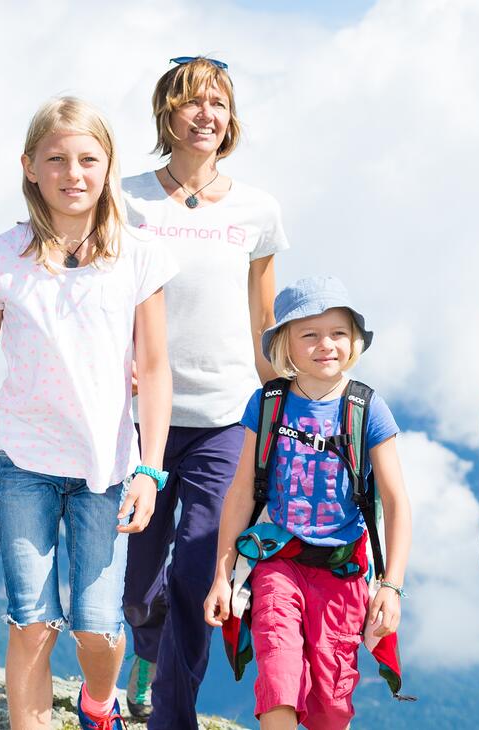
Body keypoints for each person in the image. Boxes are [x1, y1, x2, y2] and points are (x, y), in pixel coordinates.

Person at [0, 96, 178, 729]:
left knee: (98, 631)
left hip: (107, 470)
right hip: (24, 464)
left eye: (88, 160)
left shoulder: (137, 255)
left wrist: (150, 471)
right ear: (29, 167)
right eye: (56, 160)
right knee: (33, 622)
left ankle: (100, 702)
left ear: (107, 168)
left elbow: (153, 370)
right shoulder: (1, 259)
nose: (74, 174)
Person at [119, 55, 288, 726]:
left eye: (217, 103)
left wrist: (281, 414)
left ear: (231, 118)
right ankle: (145, 645)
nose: (205, 115)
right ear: (167, 113)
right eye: (191, 102)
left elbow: (264, 320)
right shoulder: (127, 198)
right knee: (136, 586)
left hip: (226, 418)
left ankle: (172, 714)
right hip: (140, 422)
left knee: (198, 575)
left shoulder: (258, 209)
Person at [203, 276, 413, 730]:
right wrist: (222, 577)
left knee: (331, 708)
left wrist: (392, 586)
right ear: (286, 345)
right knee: (278, 677)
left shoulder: (366, 409)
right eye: (310, 334)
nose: (326, 345)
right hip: (280, 562)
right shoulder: (268, 404)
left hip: (342, 573)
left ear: (354, 339)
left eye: (338, 332)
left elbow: (396, 503)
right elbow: (241, 492)